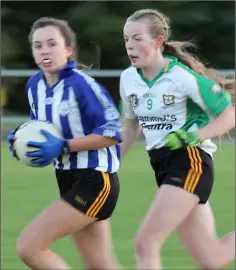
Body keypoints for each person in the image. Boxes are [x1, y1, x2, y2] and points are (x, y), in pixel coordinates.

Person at [120, 8, 235, 270]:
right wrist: (108, 162)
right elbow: (129, 129)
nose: (130, 45)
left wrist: (192, 136)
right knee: (212, 258)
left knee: (145, 243)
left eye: (137, 38)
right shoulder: (128, 79)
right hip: (162, 166)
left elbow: (228, 116)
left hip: (190, 162)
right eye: (126, 39)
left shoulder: (181, 76)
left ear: (158, 42)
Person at [7, 17, 123, 270]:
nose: (44, 50)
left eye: (52, 43)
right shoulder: (34, 86)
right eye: (38, 46)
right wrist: (21, 139)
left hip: (95, 180)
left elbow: (113, 132)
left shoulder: (83, 85)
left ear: (68, 50)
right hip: (67, 178)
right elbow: (44, 129)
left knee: (29, 248)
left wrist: (63, 147)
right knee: (101, 265)